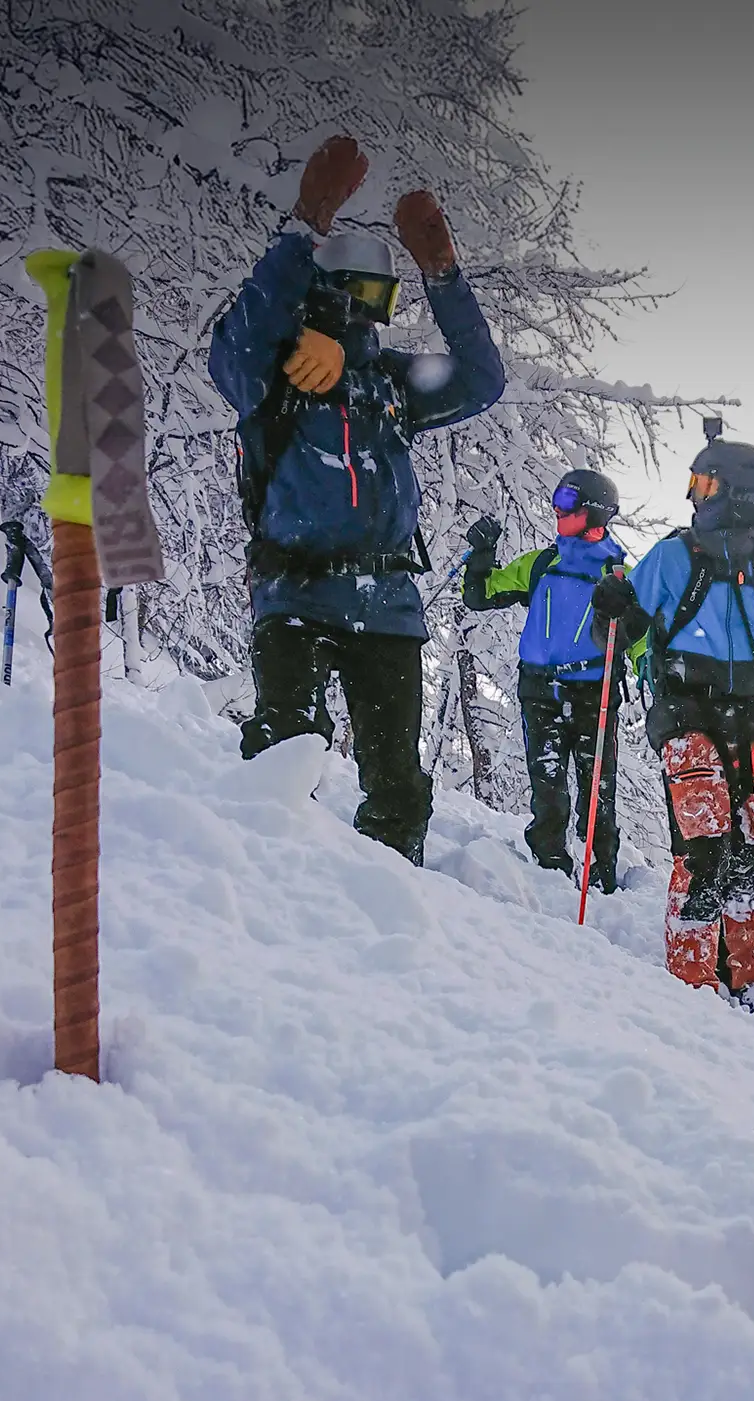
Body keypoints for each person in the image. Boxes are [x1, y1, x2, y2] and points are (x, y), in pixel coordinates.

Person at [209, 136, 505, 865]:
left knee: (398, 784)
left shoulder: (391, 384)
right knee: (280, 753)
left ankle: (383, 914)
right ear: (328, 288)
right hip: (296, 593)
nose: (372, 316)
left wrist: (445, 277)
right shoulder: (274, 374)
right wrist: (304, 225)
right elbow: (235, 346)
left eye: (385, 301)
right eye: (362, 298)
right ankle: (262, 892)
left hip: (388, 604)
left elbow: (481, 379)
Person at [589, 433, 754, 1003]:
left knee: (751, 846)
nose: (693, 496)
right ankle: (691, 980)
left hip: (746, 714)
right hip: (683, 710)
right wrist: (613, 610)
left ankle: (742, 974)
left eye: (702, 484)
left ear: (736, 494)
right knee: (704, 842)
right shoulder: (673, 557)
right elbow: (618, 636)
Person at [460, 470, 632, 891]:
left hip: (596, 692)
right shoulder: (541, 563)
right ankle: (550, 870)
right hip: (540, 691)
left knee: (597, 791)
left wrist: (655, 677)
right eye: (557, 498)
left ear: (593, 511)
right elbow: (480, 595)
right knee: (548, 788)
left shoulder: (622, 576)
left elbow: (644, 635)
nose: (557, 508)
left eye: (567, 500)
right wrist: (481, 553)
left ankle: (601, 874)